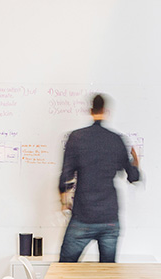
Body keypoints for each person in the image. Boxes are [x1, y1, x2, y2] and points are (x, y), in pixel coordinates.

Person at [57, 94, 141, 263]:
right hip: (109, 217)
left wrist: (64, 202)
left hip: (83, 215)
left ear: (90, 111)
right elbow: (133, 177)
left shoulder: (76, 138)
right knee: (107, 273)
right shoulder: (117, 140)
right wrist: (136, 162)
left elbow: (65, 177)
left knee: (64, 268)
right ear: (106, 112)